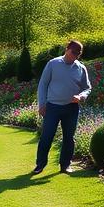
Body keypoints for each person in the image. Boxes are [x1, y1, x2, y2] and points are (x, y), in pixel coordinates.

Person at [32, 40, 91, 175]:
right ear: (67, 49)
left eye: (78, 54)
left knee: (69, 138)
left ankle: (65, 165)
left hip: (71, 108)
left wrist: (81, 96)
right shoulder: (53, 64)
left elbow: (87, 88)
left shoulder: (80, 68)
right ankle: (40, 165)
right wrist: (42, 104)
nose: (75, 56)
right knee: (47, 136)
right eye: (73, 52)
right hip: (52, 107)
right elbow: (43, 84)